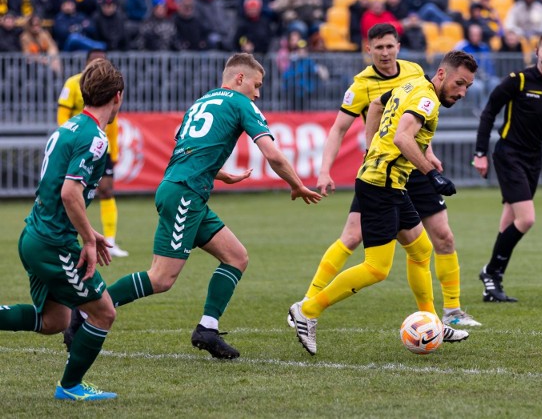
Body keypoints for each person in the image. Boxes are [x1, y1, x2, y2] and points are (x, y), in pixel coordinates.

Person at [66, 53, 322, 359]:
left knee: (237, 257)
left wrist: (222, 174)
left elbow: (188, 150)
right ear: (240, 78)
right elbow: (274, 155)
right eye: (257, 84)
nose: (258, 93)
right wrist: (297, 185)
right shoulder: (242, 103)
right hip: (185, 193)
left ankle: (207, 329)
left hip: (186, 191)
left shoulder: (201, 103)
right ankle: (85, 310)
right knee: (161, 278)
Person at [287, 23, 481, 330]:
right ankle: (307, 308)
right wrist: (424, 170)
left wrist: (412, 151)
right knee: (372, 262)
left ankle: (438, 320)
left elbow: (389, 111)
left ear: (399, 46)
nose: (386, 52)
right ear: (369, 50)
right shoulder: (371, 86)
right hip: (384, 177)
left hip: (398, 174)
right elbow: (391, 133)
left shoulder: (414, 77)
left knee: (426, 245)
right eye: (379, 47)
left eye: (390, 46)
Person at [0, 58, 123, 400]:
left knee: (54, 320)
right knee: (104, 312)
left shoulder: (67, 128)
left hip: (35, 236)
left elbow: (62, 193)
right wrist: (86, 239)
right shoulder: (95, 139)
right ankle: (70, 387)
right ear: (118, 96)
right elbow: (70, 193)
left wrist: (89, 232)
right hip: (54, 243)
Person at [473, 30, 542, 303]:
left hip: (533, 160)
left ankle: (492, 282)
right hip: (508, 155)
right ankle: (491, 271)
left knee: (509, 220)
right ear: (537, 52)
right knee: (526, 218)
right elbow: (489, 111)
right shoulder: (517, 80)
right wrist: (480, 152)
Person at [58, 49, 129, 260]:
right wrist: (70, 138)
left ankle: (110, 240)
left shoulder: (109, 88)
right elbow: (62, 113)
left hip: (101, 146)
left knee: (106, 190)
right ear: (87, 64)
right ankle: (71, 236)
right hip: (78, 145)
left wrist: (113, 150)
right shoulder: (73, 84)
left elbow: (113, 123)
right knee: (72, 191)